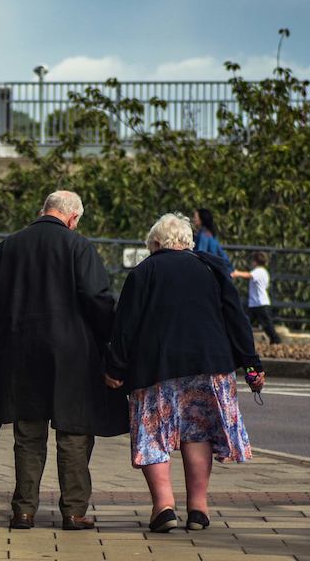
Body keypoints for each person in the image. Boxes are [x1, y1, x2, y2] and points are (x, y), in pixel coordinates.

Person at [0, 190, 129, 531]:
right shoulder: (78, 246)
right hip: (72, 355)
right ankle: (73, 511)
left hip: (20, 353)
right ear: (72, 218)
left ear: (45, 210)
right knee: (73, 432)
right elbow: (98, 298)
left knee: (28, 434)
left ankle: (23, 510)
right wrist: (106, 339)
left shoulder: (8, 247)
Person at [105, 212, 264, 533]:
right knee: (198, 433)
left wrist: (115, 367)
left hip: (156, 367)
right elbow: (236, 319)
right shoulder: (212, 268)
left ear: (155, 244)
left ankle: (163, 507)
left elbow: (125, 326)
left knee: (152, 434)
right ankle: (198, 509)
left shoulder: (144, 271)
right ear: (187, 243)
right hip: (208, 365)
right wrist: (252, 363)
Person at [232, 252, 282, 344]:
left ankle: (276, 340)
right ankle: (241, 341)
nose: (251, 263)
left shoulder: (259, 271)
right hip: (255, 303)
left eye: (252, 261)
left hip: (260, 303)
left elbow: (248, 275)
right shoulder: (264, 272)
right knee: (246, 323)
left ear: (255, 262)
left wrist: (236, 273)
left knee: (267, 325)